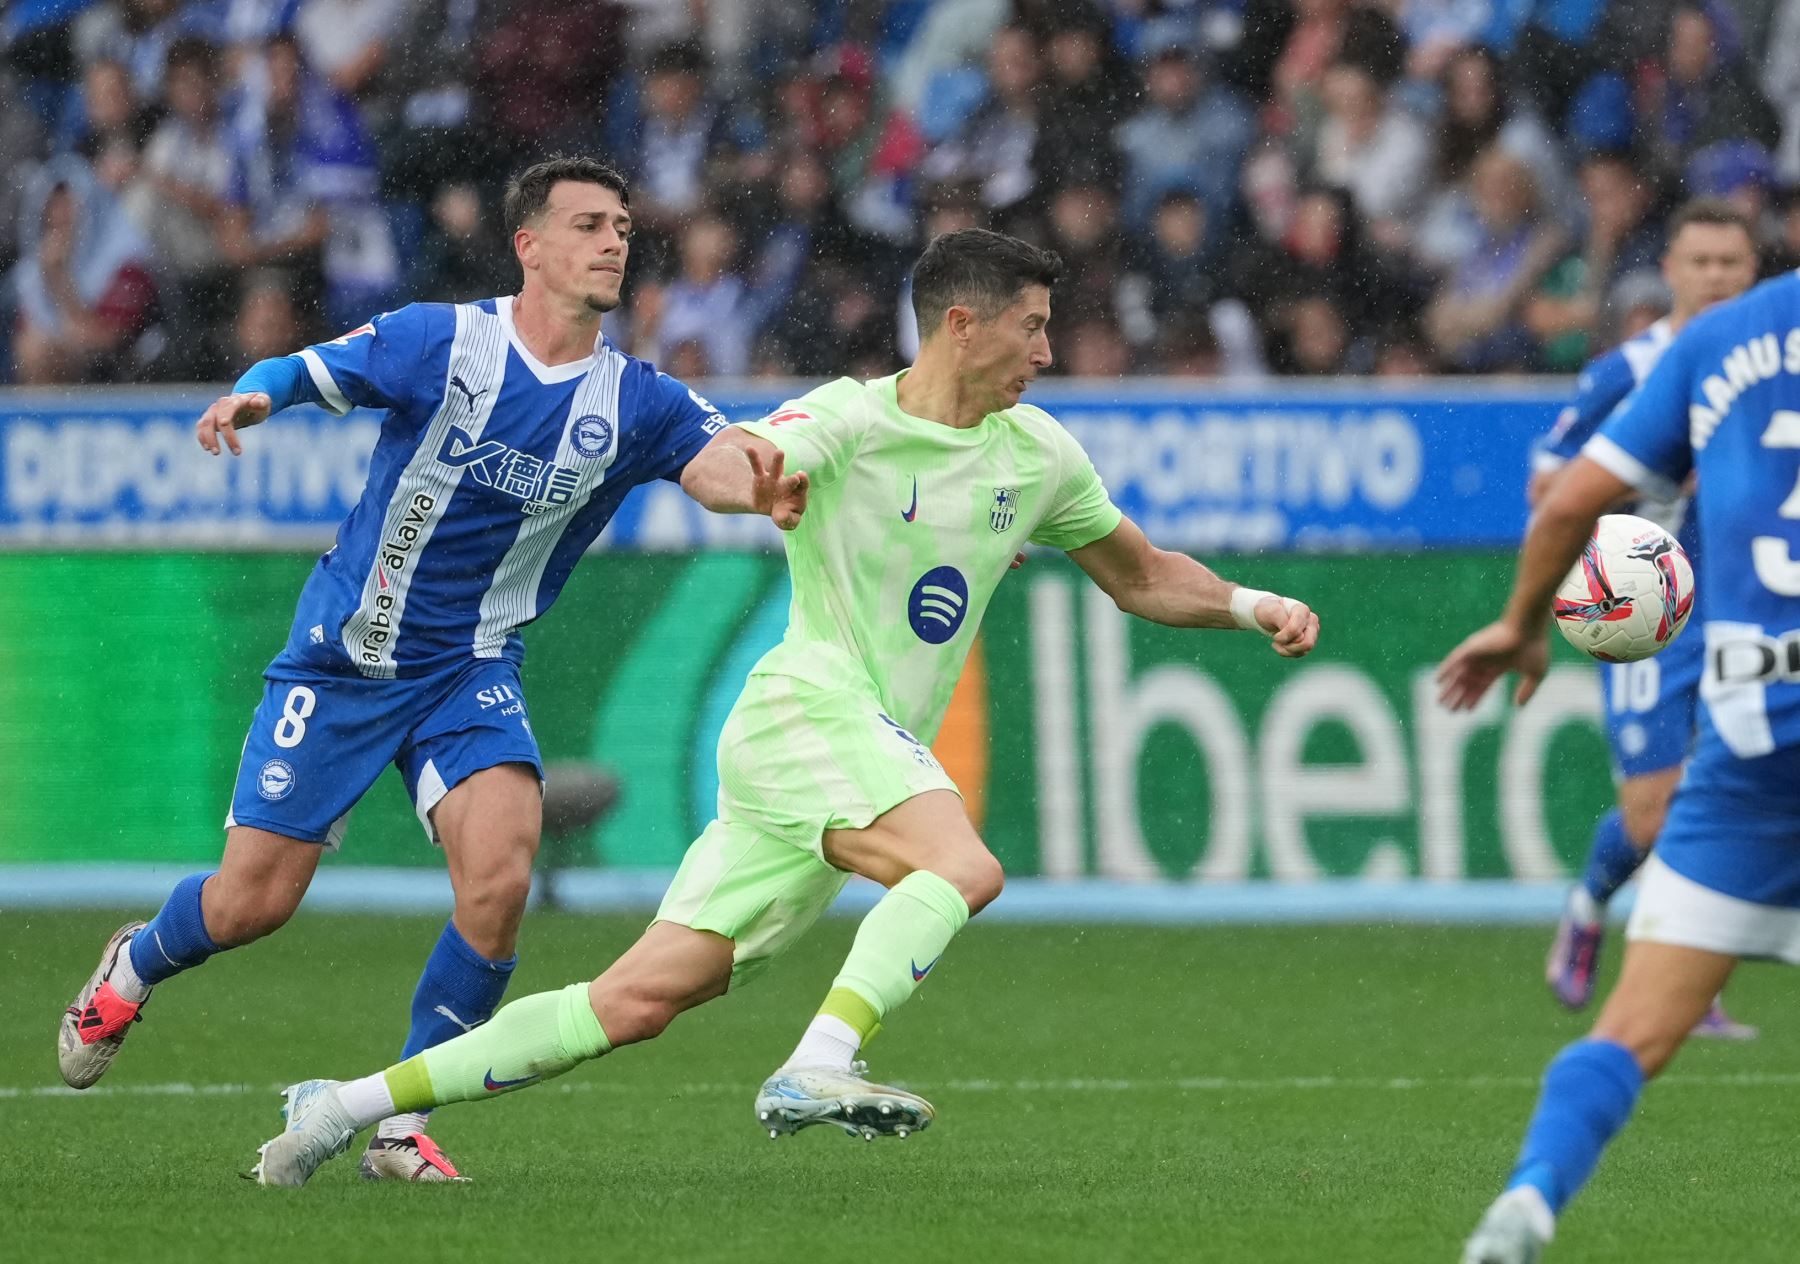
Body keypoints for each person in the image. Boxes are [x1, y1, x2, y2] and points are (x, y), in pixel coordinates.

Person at [244, 227, 1322, 1186]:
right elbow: (754, 452)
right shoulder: (852, 417)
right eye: (1033, 329)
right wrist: (763, 477)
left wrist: (1250, 603)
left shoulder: (1038, 456)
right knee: (963, 867)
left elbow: (1140, 574)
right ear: (960, 324)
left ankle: (342, 1104)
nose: (1048, 353)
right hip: (809, 709)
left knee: (634, 1001)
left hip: (846, 753)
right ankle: (819, 1063)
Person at [55, 156, 795, 1183]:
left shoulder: (637, 398)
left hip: (471, 666)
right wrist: (251, 397)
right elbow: (311, 369)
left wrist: (798, 492)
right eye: (588, 224)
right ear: (530, 247)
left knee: (499, 877)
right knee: (251, 904)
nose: (614, 240)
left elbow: (728, 472)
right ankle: (136, 961)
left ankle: (400, 1121)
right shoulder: (443, 342)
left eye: (622, 224)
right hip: (347, 657)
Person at [1441, 257, 1800, 1264]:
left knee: (1631, 1032)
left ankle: (1530, 1197)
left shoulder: (1722, 340)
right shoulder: (1654, 352)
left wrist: (1520, 623)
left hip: (1755, 740)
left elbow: (1563, 510)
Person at [1531, 200, 1760, 1039]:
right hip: (1650, 608)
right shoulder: (1627, 372)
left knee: (1729, 789)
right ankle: (1592, 901)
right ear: (1669, 269)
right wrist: (1654, 483)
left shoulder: (1772, 371)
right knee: (1652, 814)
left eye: (1731, 263)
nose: (1715, 277)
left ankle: (1690, 988)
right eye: (1699, 261)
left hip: (1749, 609)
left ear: (1754, 273)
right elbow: (1546, 489)